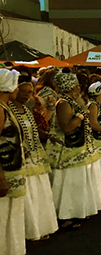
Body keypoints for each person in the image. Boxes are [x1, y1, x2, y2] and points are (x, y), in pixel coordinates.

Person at [46, 72, 101, 228]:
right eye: (77, 85)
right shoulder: (63, 103)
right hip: (66, 151)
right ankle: (65, 216)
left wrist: (80, 103)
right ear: (73, 86)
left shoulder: (71, 101)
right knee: (68, 184)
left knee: (77, 183)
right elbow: (67, 127)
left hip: (77, 149)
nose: (80, 87)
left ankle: (77, 212)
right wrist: (80, 116)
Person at [8, 72, 58, 241]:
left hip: (36, 158)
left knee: (40, 195)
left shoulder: (27, 110)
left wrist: (48, 135)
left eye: (30, 92)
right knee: (28, 198)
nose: (30, 96)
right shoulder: (9, 111)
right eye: (26, 92)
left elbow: (34, 132)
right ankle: (28, 231)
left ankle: (40, 227)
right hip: (22, 162)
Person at [0, 68, 27, 255]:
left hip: (12, 169)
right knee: (3, 216)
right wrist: (1, 178)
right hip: (5, 172)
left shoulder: (4, 107)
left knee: (11, 215)